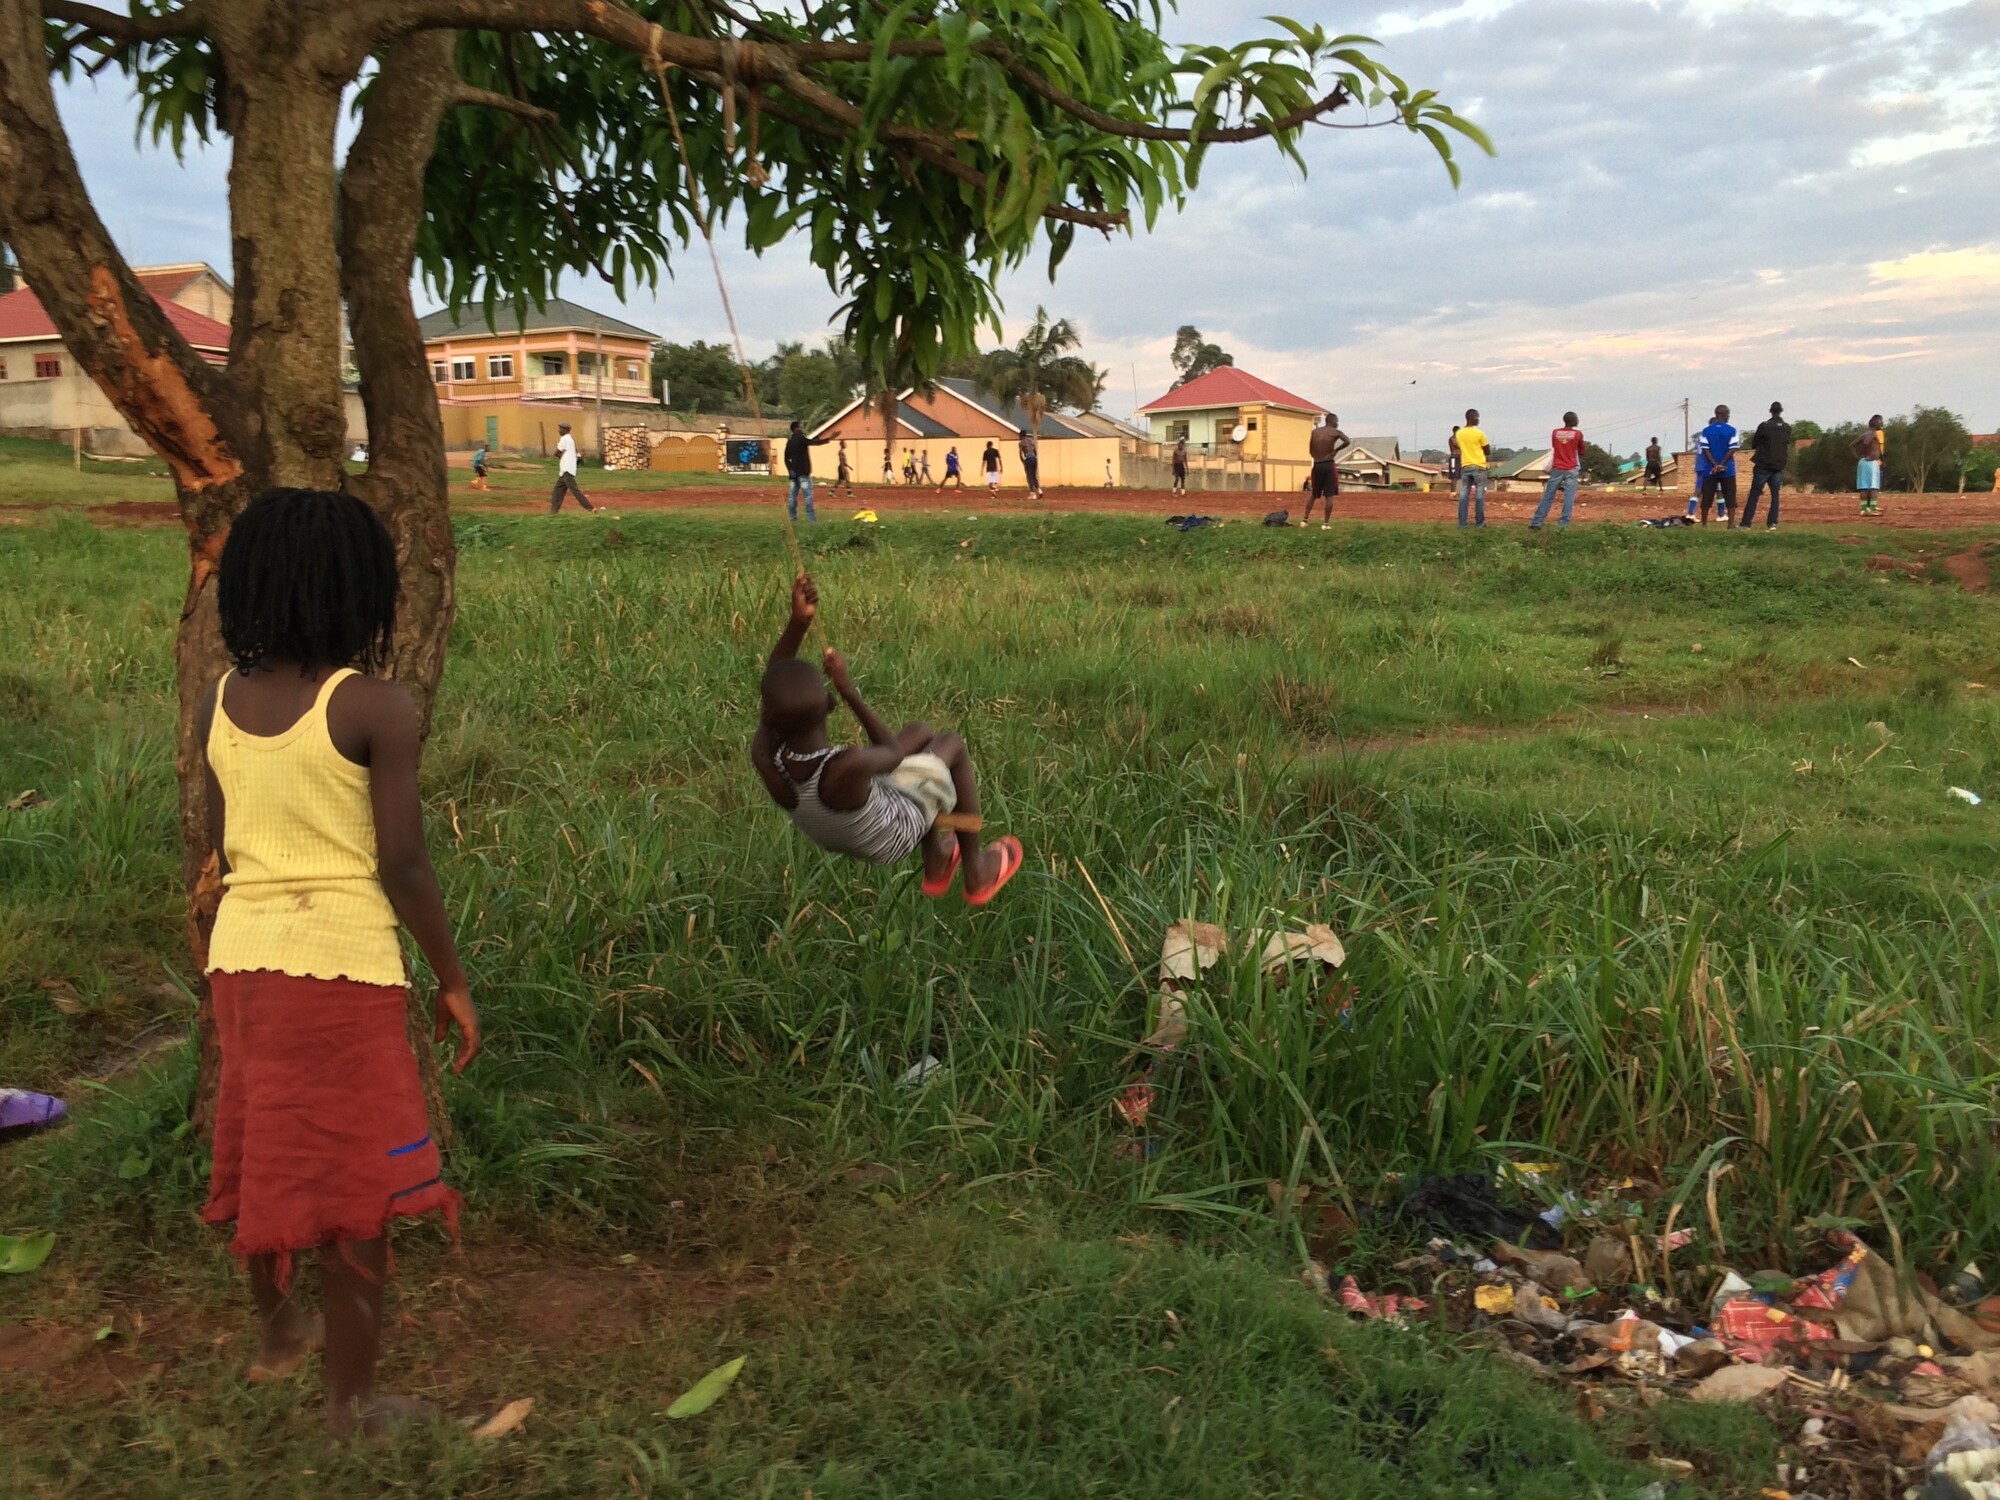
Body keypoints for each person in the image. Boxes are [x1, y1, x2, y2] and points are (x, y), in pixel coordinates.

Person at [198, 489, 479, 1437]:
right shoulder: (374, 706)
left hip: (240, 961)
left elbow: (222, 836)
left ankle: (280, 1337)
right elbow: (401, 862)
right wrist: (451, 977)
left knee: (260, 1147)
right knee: (357, 1191)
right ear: (359, 591)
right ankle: (352, 1408)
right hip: (340, 968)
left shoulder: (220, 701)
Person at [752, 574, 1023, 905]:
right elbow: (891, 754)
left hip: (844, 823)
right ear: (827, 706)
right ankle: (976, 873)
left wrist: (800, 622)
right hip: (892, 835)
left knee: (921, 734)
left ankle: (937, 860)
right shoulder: (845, 766)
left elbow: (776, 681)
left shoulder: (767, 757)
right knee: (950, 745)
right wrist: (848, 689)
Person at [1740, 401, 1791, 529]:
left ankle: (1746, 523)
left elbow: (1754, 443)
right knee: (1775, 495)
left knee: (1754, 494)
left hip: (1763, 465)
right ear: (1781, 411)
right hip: (1778, 466)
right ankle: (1772, 523)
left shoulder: (1764, 426)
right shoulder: (1786, 427)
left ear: (1771, 411)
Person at [1530, 411, 1585, 529]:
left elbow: (1555, 447)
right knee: (1569, 496)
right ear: (1574, 420)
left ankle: (1537, 522)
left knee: (1548, 495)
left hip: (1557, 467)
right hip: (1571, 468)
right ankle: (1564, 524)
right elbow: (1581, 451)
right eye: (1577, 419)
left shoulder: (1555, 433)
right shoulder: (1578, 434)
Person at [1302, 413, 1348, 524]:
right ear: (1332, 421)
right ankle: (1326, 523)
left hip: (1317, 465)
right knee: (1329, 495)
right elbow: (1347, 441)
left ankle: (1305, 520)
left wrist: (1317, 457)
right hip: (1328, 465)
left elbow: (1311, 449)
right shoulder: (1336, 432)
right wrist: (1336, 450)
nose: (1337, 423)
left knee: (1314, 494)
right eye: (1336, 421)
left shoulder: (1315, 432)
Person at [1696, 405, 1737, 525]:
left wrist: (1715, 465)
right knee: (1730, 496)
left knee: (1707, 496)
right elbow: (1733, 449)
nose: (1728, 416)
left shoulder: (1706, 431)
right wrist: (1722, 464)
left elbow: (1705, 449)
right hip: (1728, 469)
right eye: (1728, 414)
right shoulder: (1732, 430)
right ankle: (1731, 524)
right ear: (1723, 414)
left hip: (1709, 469)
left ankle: (1704, 523)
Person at [784, 420, 827, 524]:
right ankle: (811, 519)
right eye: (799, 427)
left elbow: (786, 458)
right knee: (807, 496)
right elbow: (812, 442)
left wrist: (791, 470)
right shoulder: (800, 438)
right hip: (803, 472)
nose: (801, 429)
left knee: (793, 496)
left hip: (794, 474)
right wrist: (828, 439)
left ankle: (792, 517)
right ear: (795, 429)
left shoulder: (790, 441)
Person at [1455, 409, 1490, 528]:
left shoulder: (1459, 433)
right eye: (1477, 417)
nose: (1478, 420)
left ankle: (1462, 523)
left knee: (1464, 494)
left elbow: (1461, 447)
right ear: (1472, 417)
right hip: (1479, 466)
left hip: (1465, 465)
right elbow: (1487, 450)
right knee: (1479, 494)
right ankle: (1479, 523)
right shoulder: (1479, 433)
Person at [550, 422, 594, 512]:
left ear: (566, 430)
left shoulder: (564, 439)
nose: (559, 430)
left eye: (561, 429)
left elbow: (557, 452)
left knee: (575, 490)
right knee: (557, 491)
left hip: (567, 469)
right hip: (566, 470)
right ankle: (553, 512)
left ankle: (590, 508)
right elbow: (575, 452)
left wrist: (559, 456)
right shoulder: (570, 439)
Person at [1853, 414, 1885, 515]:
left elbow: (1851, 446)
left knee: (1864, 487)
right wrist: (1881, 460)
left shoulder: (1865, 434)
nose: (1882, 424)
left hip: (1862, 462)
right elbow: (1880, 450)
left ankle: (1864, 509)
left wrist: (1858, 457)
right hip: (1872, 463)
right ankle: (1872, 509)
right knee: (1873, 487)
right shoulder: (1877, 434)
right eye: (1881, 422)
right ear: (1877, 424)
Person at [1019, 428, 1042, 500]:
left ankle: (1033, 494)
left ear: (1021, 436)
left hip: (1028, 459)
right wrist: (1035, 458)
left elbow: (1020, 453)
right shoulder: (1032, 441)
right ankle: (1039, 490)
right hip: (1034, 458)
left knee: (1029, 477)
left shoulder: (1021, 442)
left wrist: (1023, 461)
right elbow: (1035, 452)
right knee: (1034, 476)